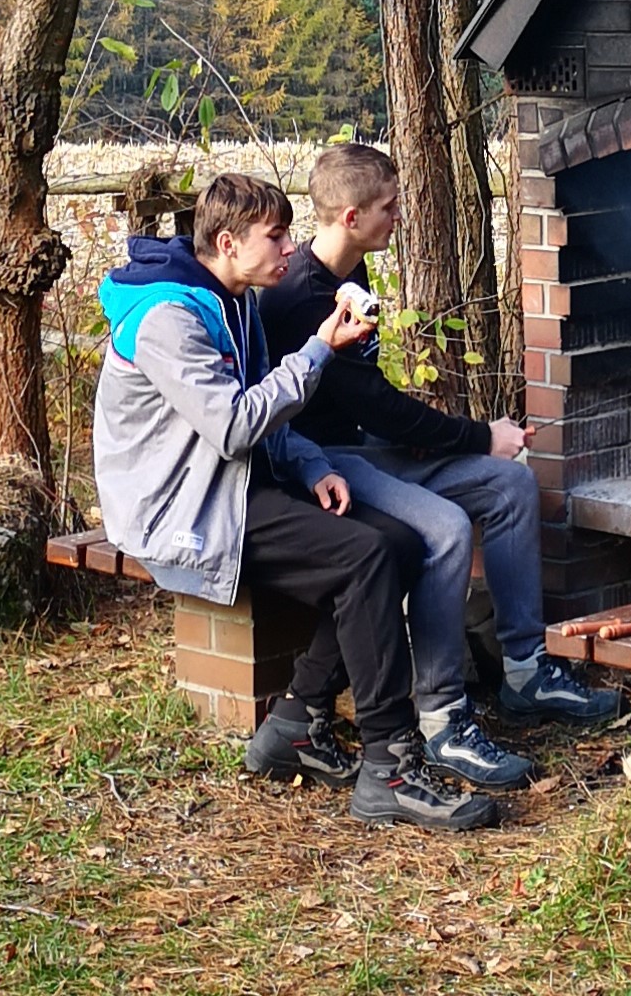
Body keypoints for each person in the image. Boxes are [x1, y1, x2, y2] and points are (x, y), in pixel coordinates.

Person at [93, 172, 498, 831]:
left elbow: (260, 417)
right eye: (275, 236)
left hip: (230, 485)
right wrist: (317, 350)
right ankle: (390, 768)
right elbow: (231, 424)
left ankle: (297, 721)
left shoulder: (232, 299)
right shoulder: (170, 318)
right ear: (228, 242)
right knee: (365, 559)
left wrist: (311, 465)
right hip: (182, 508)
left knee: (400, 541)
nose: (290, 248)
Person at [260, 144, 623, 791]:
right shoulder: (297, 297)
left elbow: (376, 402)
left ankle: (524, 668)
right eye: (388, 207)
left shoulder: (354, 272)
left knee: (511, 484)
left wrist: (457, 445)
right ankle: (443, 717)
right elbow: (367, 401)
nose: (400, 216)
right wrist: (479, 435)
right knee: (448, 527)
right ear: (349, 216)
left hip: (370, 446)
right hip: (325, 463)